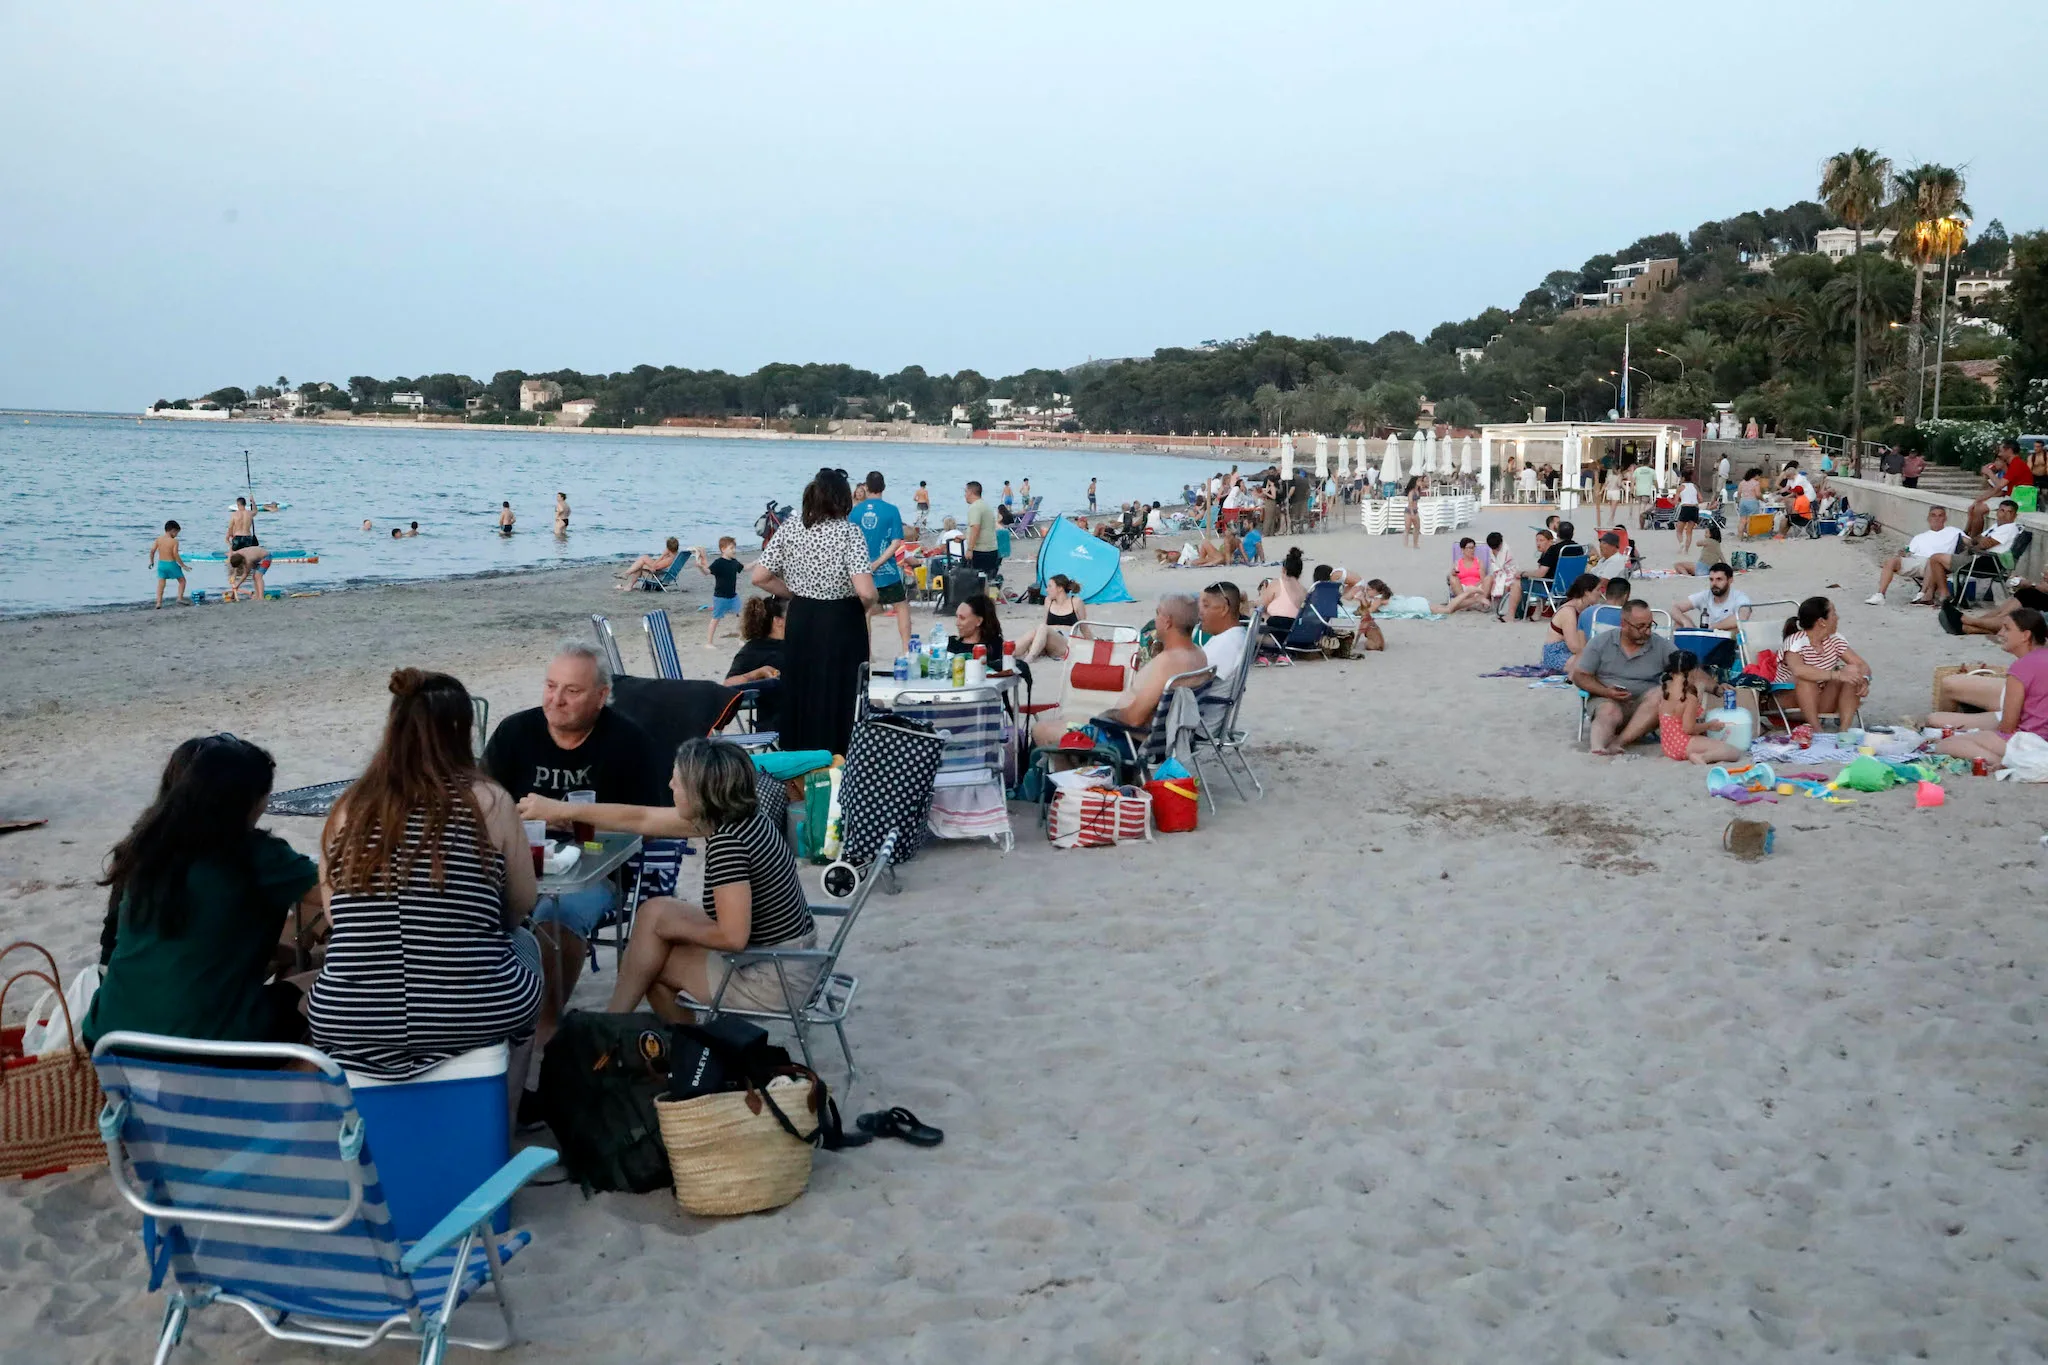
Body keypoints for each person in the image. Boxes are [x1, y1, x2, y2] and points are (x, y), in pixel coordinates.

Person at [312, 669, 542, 1093]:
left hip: (350, 1015)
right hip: (468, 1013)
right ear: (461, 732)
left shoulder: (350, 807)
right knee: (527, 945)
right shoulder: (487, 800)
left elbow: (335, 915)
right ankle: (506, 1112)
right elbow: (521, 904)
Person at [524, 739, 815, 1021]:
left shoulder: (729, 843)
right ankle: (613, 1021)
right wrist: (562, 811)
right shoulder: (741, 815)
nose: (670, 786)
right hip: (793, 954)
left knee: (653, 968)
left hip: (776, 977)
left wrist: (672, 930)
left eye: (677, 781)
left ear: (700, 791)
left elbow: (733, 937)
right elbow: (640, 819)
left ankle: (683, 1046)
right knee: (655, 911)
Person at [483, 641, 666, 1046]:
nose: (556, 700)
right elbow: (479, 806)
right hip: (517, 863)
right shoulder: (515, 732)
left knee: (555, 915)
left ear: (601, 695)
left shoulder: (628, 742)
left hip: (599, 872)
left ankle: (544, 1029)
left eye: (572, 690)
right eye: (551, 686)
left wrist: (570, 816)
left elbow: (650, 825)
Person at [84, 735, 320, 1046]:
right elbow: (342, 897)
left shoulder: (148, 847)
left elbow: (191, 941)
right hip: (204, 1046)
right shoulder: (256, 854)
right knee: (328, 987)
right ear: (248, 800)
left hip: (109, 1037)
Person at [751, 468, 879, 755]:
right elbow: (866, 591)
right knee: (841, 690)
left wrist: (792, 593)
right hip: (841, 618)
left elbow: (759, 576)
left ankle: (800, 758)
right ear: (842, 499)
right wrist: (865, 607)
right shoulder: (849, 532)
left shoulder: (791, 528)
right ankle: (839, 758)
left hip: (802, 616)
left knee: (801, 685)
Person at [1031, 593, 1211, 762]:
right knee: (1072, 721)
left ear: (1168, 622)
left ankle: (1072, 785)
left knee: (1042, 730)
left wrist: (1107, 715)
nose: (1155, 619)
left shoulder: (1166, 663)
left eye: (1158, 614)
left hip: (1127, 742)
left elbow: (1134, 718)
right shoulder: (1199, 656)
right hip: (1161, 741)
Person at [1923, 610, 2048, 767]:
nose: (2000, 633)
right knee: (1956, 732)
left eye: (2007, 629)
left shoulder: (2021, 669)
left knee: (1946, 745)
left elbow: (2008, 726)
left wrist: (1980, 737)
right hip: (2037, 735)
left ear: (2025, 635)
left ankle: (2003, 762)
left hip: (2032, 741)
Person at [1570, 601, 1677, 755]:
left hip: (1644, 706)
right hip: (1606, 700)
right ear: (1624, 624)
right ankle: (1597, 748)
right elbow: (1579, 676)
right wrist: (1606, 691)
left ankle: (1619, 742)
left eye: (1650, 625)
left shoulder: (1659, 644)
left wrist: (1715, 688)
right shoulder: (1601, 642)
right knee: (1608, 711)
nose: (1647, 631)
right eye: (1641, 626)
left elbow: (1686, 665)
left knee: (1662, 693)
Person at [1773, 597, 1869, 730]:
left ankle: (1844, 731)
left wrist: (1864, 679)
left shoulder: (1834, 639)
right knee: (1806, 679)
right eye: (1834, 614)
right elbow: (1798, 670)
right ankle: (1818, 731)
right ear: (1822, 622)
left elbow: (1861, 664)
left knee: (1852, 671)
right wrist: (1836, 675)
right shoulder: (1795, 643)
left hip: (1821, 700)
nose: (1837, 618)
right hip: (1791, 701)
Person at [852, 471, 911, 653]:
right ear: (883, 488)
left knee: (865, 612)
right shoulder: (891, 510)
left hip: (862, 572)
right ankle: (906, 649)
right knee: (901, 607)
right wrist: (878, 563)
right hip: (887, 571)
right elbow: (896, 543)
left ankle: (866, 653)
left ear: (866, 488)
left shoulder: (855, 512)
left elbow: (850, 541)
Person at [1655, 651, 1747, 765]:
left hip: (1668, 746)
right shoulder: (1688, 698)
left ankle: (1698, 753)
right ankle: (1703, 757)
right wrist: (1710, 726)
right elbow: (1688, 729)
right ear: (1695, 671)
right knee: (1733, 752)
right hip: (1683, 745)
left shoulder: (1665, 691)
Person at [1868, 506, 1963, 606]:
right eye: (1933, 515)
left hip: (1937, 563)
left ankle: (1922, 594)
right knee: (1891, 561)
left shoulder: (1954, 531)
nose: (1937, 518)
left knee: (1932, 559)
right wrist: (1903, 553)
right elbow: (1908, 552)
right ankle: (1880, 595)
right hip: (1916, 560)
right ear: (1928, 518)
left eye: (1940, 515)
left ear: (1945, 518)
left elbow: (1969, 543)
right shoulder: (1919, 537)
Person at [724, 596, 787, 730]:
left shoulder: (800, 645)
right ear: (778, 621)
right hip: (777, 720)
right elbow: (728, 685)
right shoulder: (754, 650)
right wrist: (757, 673)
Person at [1541, 573, 1603, 672]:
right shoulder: (1568, 611)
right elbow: (1574, 646)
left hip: (1574, 653)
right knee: (1590, 664)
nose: (1600, 593)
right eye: (1598, 590)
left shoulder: (1586, 609)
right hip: (1558, 654)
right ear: (1587, 592)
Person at [1019, 574, 1085, 661]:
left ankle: (1029, 659)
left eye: (1050, 586)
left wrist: (1095, 645)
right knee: (1034, 633)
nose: (1047, 590)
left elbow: (1084, 628)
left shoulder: (1076, 602)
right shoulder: (1048, 601)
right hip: (1050, 641)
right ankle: (1008, 653)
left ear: (1060, 588)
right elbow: (1046, 625)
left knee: (1042, 627)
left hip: (1065, 644)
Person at [1672, 562, 1752, 633]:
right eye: (1711, 579)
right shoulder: (1705, 595)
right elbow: (1675, 608)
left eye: (1719, 579)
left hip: (1725, 639)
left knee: (1737, 627)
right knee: (1678, 624)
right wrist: (1685, 621)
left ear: (1730, 580)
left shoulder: (1739, 597)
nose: (1714, 583)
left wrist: (1714, 627)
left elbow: (1742, 617)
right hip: (1706, 637)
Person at [695, 536, 745, 645]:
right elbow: (707, 572)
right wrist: (700, 567)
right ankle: (709, 642)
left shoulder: (734, 562)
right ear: (723, 549)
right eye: (731, 548)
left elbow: (744, 568)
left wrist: (758, 562)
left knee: (741, 615)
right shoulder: (718, 563)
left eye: (734, 548)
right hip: (720, 597)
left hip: (733, 596)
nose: (734, 550)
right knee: (715, 619)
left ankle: (741, 638)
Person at [1197, 582, 1249, 683]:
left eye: (1206, 606)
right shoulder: (1236, 636)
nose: (1200, 612)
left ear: (1224, 609)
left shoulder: (1225, 644)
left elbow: (1196, 682)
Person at [1258, 546, 1307, 650]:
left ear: (1283, 569)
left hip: (1277, 634)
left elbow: (1261, 606)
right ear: (1300, 572)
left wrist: (1263, 593)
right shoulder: (1304, 590)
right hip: (1295, 634)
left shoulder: (1277, 584)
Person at [963, 480, 1001, 578]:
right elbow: (985, 528)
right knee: (987, 580)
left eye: (966, 492)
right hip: (991, 549)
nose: (965, 495)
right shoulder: (985, 505)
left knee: (974, 580)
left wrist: (970, 549)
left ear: (971, 492)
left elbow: (976, 527)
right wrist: (965, 537)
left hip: (980, 551)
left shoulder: (975, 507)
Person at [1438, 538, 1488, 613]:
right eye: (1470, 548)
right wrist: (1453, 573)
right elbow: (1453, 577)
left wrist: (1473, 588)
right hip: (1463, 589)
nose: (1472, 550)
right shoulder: (1457, 563)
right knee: (1452, 578)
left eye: (1474, 547)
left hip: (1477, 588)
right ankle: (1468, 603)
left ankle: (1466, 604)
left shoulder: (1479, 562)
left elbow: (1483, 579)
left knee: (1489, 578)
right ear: (1463, 549)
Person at [615, 536, 681, 590]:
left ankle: (627, 577)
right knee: (642, 563)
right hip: (663, 573)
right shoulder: (675, 556)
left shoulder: (669, 559)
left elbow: (655, 567)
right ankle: (628, 583)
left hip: (659, 575)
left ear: (668, 547)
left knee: (643, 559)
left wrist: (662, 555)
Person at [148, 519, 187, 608]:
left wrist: (151, 561)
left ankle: (158, 602)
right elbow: (175, 554)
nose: (176, 535)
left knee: (161, 584)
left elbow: (152, 551)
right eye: (177, 533)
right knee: (182, 581)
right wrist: (183, 565)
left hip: (161, 564)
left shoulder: (159, 539)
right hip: (171, 564)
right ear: (173, 531)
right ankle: (179, 598)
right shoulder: (174, 541)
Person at [1674, 468, 1702, 556]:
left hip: (1685, 508)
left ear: (1682, 478)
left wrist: (1669, 500)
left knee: (1679, 530)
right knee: (1689, 531)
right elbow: (1701, 499)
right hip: (1694, 508)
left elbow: (1675, 502)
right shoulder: (1695, 486)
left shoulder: (1680, 487)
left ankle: (1681, 543)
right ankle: (1686, 550)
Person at [1403, 477, 1422, 549]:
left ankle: (1415, 544)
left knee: (1417, 527)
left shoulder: (1417, 490)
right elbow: (1410, 502)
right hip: (1409, 511)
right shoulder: (1411, 492)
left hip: (1415, 510)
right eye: (1419, 481)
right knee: (1407, 528)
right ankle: (1405, 545)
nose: (1420, 482)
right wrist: (1412, 513)